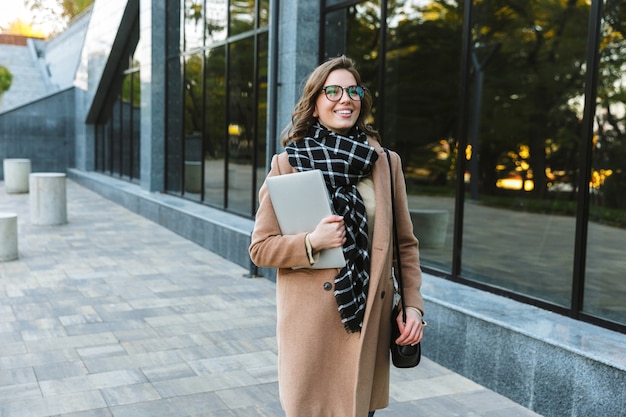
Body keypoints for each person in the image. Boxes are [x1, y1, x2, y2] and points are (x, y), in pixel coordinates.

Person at [249, 55, 425, 417]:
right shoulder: (288, 163)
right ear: (314, 104)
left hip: (367, 319)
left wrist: (413, 306)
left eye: (353, 90)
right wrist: (311, 243)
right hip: (310, 328)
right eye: (332, 91)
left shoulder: (385, 163)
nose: (345, 98)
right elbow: (260, 249)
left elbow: (404, 244)